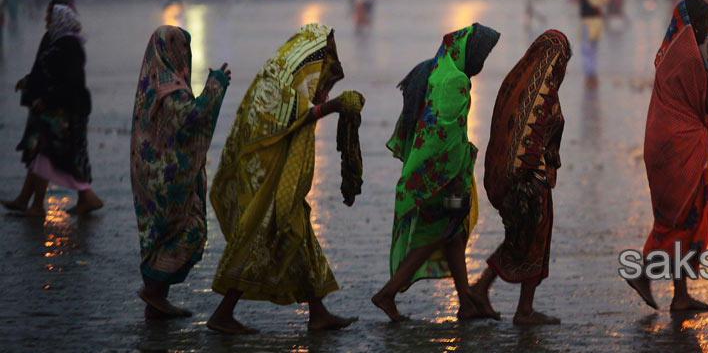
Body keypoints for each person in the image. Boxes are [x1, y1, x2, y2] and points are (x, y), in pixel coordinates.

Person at [208, 24, 363, 334]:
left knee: (298, 233)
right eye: (325, 53)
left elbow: (304, 105)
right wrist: (333, 106)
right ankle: (223, 313)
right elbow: (288, 117)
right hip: (265, 178)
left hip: (280, 176)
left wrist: (332, 103)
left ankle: (318, 313)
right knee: (261, 235)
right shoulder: (274, 82)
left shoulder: (286, 80)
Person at [372, 23, 501, 323]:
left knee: (452, 235)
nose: (482, 61)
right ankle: (387, 294)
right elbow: (448, 135)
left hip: (425, 171)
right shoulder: (454, 81)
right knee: (433, 236)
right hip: (441, 178)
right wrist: (456, 181)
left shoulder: (438, 70)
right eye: (482, 54)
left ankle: (466, 303)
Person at [627, 0, 708, 312]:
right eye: (703, 25)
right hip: (678, 147)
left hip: (667, 144)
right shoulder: (687, 58)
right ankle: (644, 271)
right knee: (679, 218)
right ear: (690, 25)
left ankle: (679, 294)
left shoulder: (676, 53)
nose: (707, 30)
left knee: (680, 217)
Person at [130, 26, 231, 319]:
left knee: (160, 234)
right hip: (165, 175)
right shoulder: (167, 84)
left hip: (149, 172)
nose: (187, 53)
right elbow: (191, 117)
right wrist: (216, 85)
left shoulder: (154, 79)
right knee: (189, 229)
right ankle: (153, 292)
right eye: (184, 48)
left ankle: (157, 300)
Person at [471, 29, 571, 325]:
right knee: (531, 237)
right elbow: (532, 130)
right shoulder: (540, 90)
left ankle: (485, 290)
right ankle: (521, 308)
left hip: (513, 174)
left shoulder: (517, 82)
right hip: (528, 177)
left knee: (521, 236)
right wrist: (531, 173)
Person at [2, 2, 103, 216]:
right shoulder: (60, 41)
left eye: (50, 17)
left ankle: (37, 205)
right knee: (54, 156)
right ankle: (83, 198)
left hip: (63, 110)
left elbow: (68, 81)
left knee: (48, 155)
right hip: (60, 108)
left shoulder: (67, 45)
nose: (45, 21)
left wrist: (46, 99)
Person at [579, 0, 608, 88]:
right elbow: (594, 1)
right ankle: (589, 75)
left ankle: (592, 75)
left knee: (592, 50)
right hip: (588, 21)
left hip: (595, 22)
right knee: (587, 50)